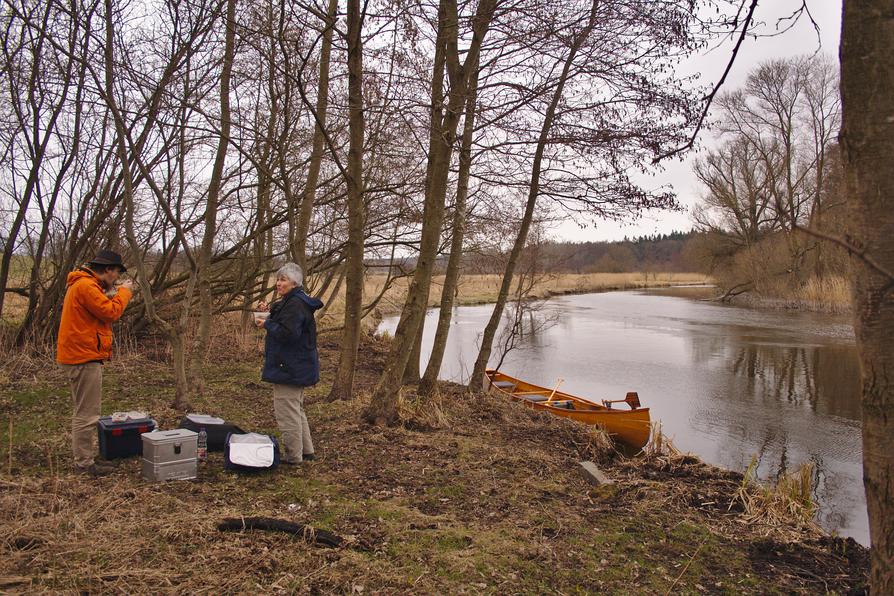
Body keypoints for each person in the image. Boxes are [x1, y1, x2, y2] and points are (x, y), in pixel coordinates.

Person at [56, 249, 134, 476]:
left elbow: (99, 306)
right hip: (83, 357)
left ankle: (85, 458)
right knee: (87, 413)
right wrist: (125, 293)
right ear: (108, 269)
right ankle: (84, 463)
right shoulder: (86, 286)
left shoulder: (85, 285)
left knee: (85, 410)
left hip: (81, 355)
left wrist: (112, 291)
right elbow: (110, 312)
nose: (117, 278)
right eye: (116, 273)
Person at [255, 262, 323, 465]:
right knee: (296, 409)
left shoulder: (295, 304)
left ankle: (294, 457)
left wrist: (267, 323)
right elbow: (282, 320)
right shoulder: (292, 301)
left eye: (283, 280)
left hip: (290, 368)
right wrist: (267, 312)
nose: (278, 283)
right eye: (278, 279)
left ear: (294, 283)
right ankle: (307, 452)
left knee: (287, 412)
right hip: (295, 366)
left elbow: (288, 334)